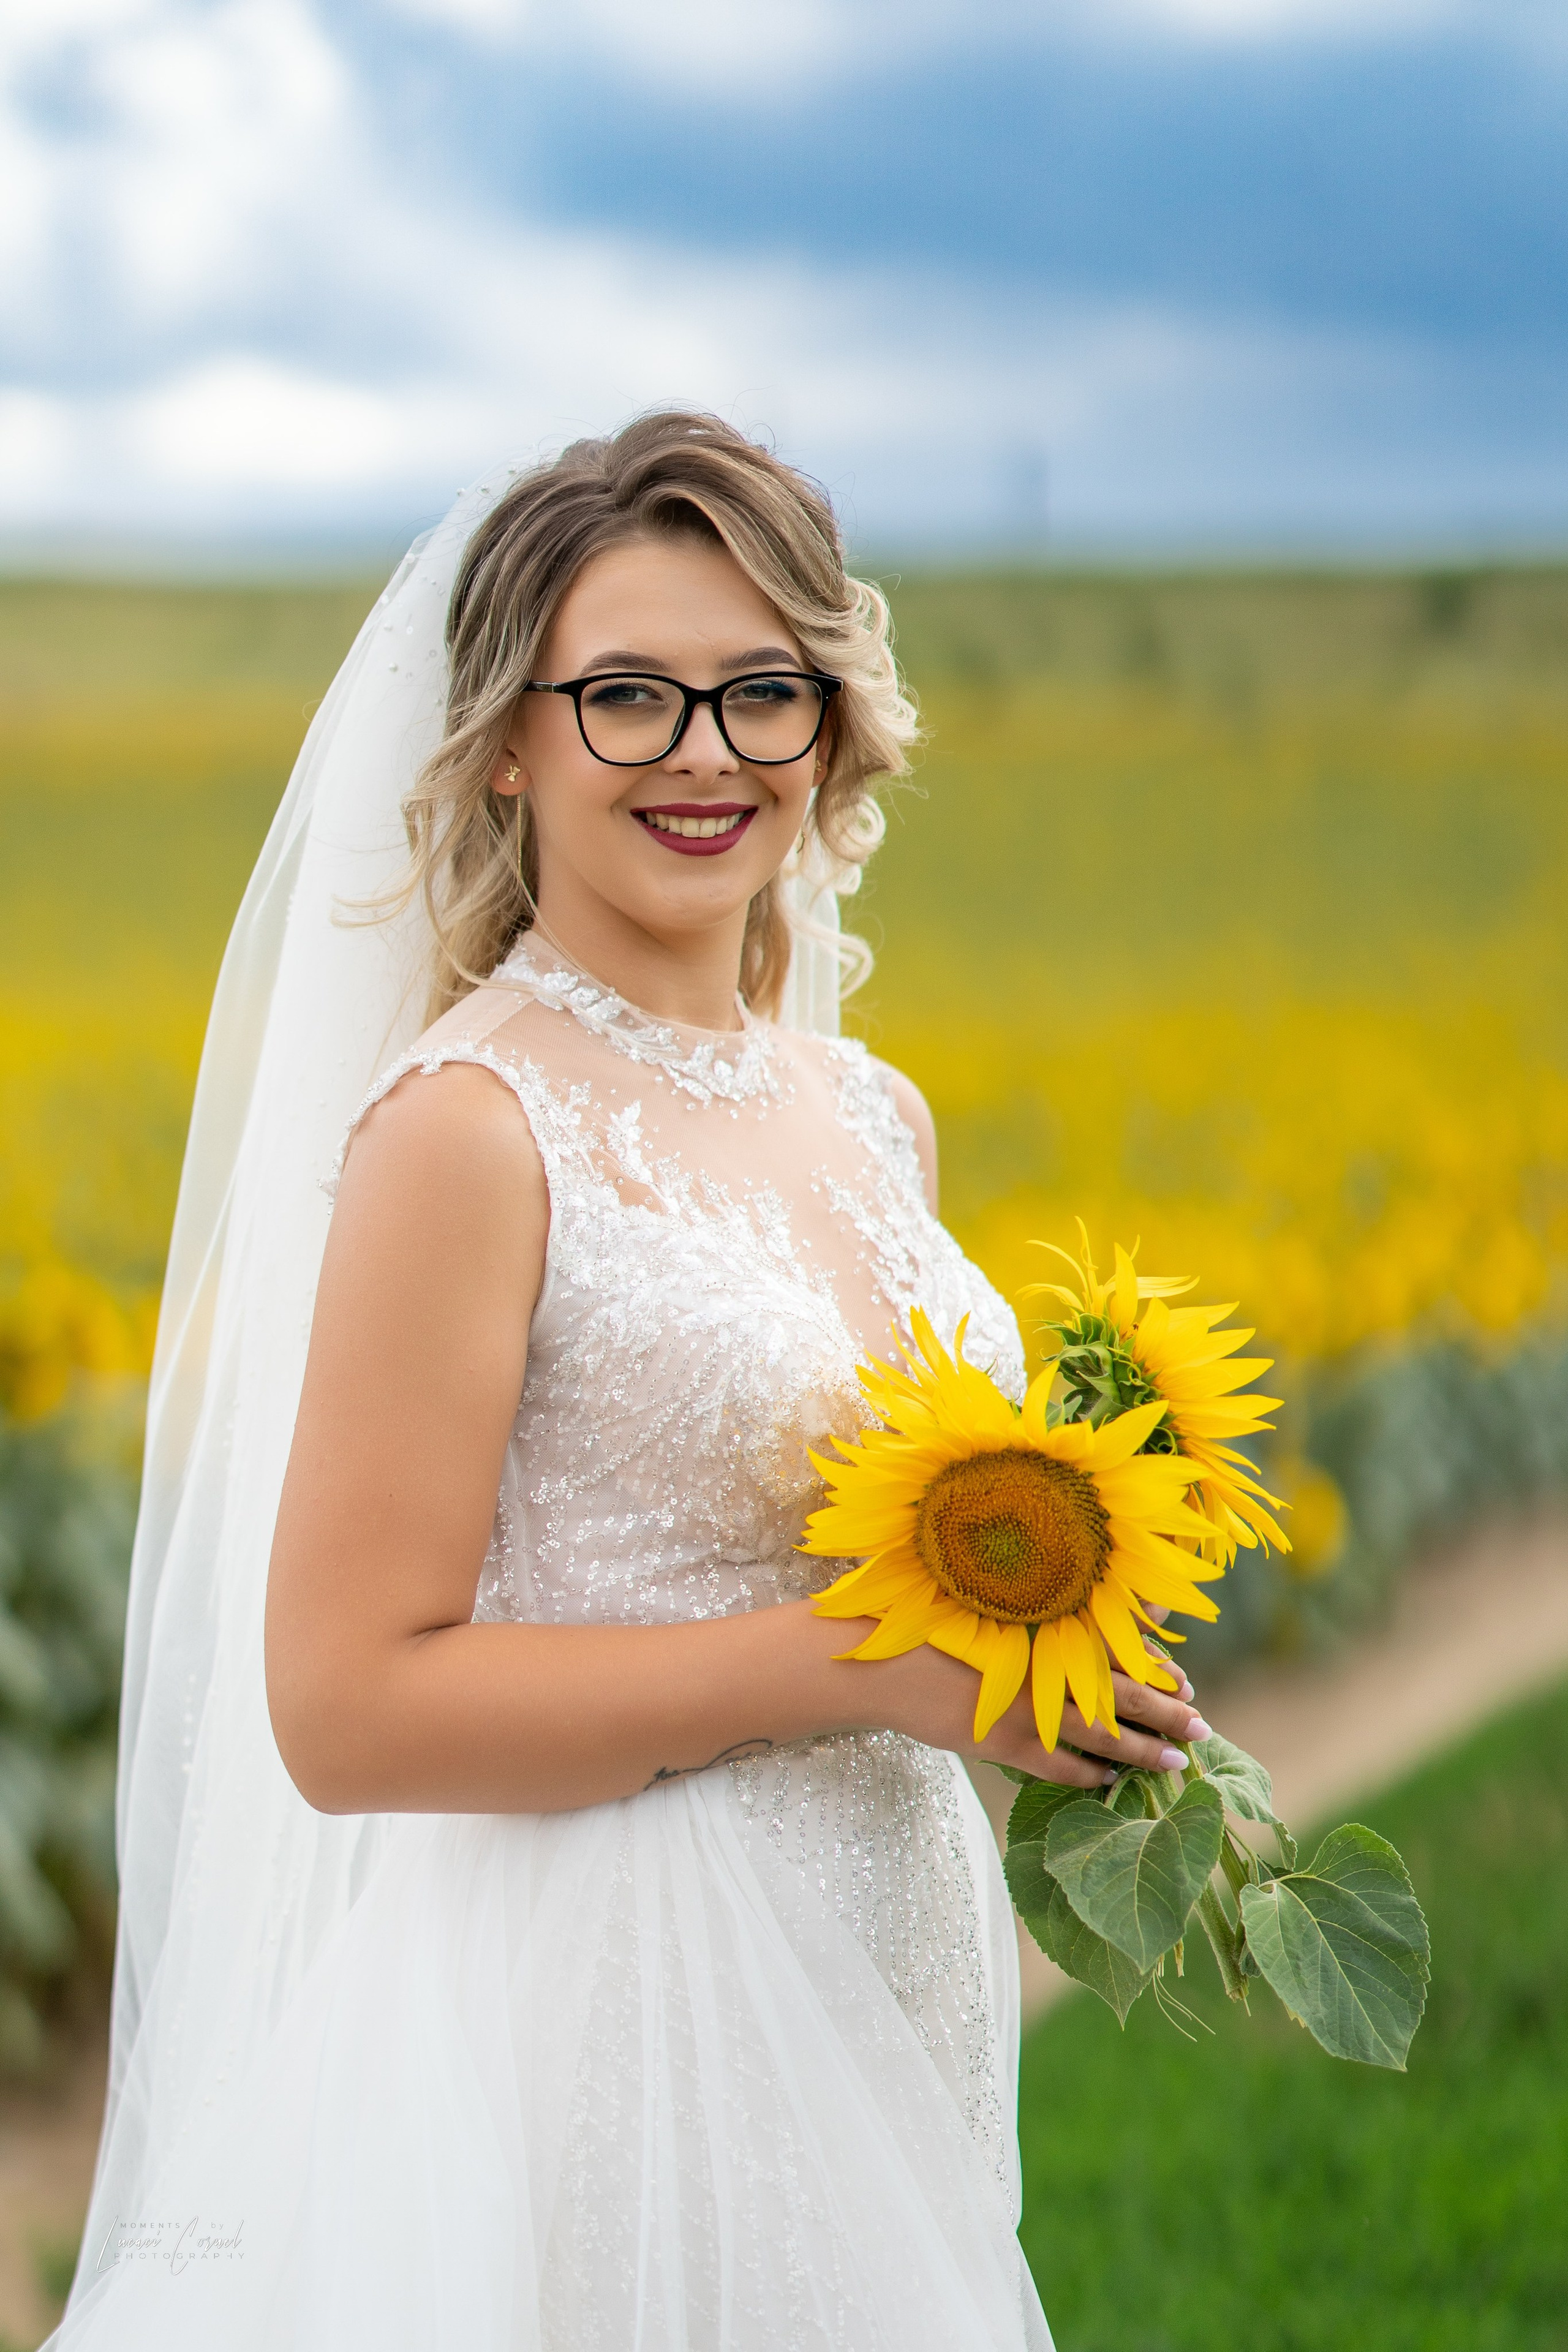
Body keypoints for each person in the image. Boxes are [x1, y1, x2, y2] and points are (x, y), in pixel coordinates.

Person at [53, 413, 1206, 2350]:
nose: (705, 752)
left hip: (879, 1965)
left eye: (763, 690)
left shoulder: (871, 1110)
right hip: (612, 2007)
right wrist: (862, 1674)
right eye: (627, 697)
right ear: (510, 736)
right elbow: (345, 1708)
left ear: (832, 726)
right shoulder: (467, 1129)